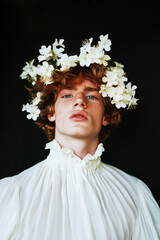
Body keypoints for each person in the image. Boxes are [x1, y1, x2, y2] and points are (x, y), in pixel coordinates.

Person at [0, 34, 160, 240]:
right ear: (51, 112)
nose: (80, 101)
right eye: (67, 95)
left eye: (92, 95)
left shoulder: (134, 194)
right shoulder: (13, 193)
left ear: (106, 116)